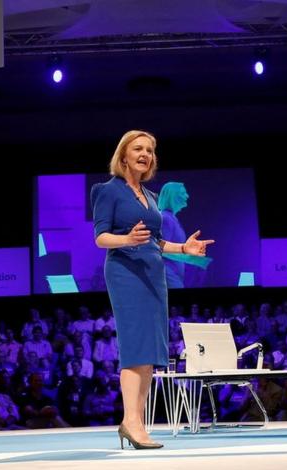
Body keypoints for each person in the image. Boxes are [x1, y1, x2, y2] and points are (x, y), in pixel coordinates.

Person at [91, 129, 214, 449]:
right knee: (135, 346)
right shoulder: (108, 191)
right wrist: (127, 240)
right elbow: (101, 237)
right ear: (123, 156)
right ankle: (131, 421)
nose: (145, 154)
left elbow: (157, 243)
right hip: (125, 271)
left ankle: (136, 421)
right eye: (138, 149)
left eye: (149, 150)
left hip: (153, 274)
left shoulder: (152, 197)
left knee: (150, 351)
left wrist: (184, 249)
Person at [158, 181, 212, 288]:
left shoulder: (171, 218)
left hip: (174, 275)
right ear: (172, 196)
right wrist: (191, 259)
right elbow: (159, 248)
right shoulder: (165, 218)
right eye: (183, 193)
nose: (187, 196)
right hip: (167, 276)